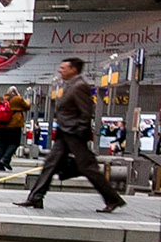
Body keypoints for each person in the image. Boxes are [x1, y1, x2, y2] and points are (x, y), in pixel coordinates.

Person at [19, 57, 126, 212]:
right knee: (50, 164)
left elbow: (86, 112)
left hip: (74, 134)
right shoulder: (71, 85)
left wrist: (79, 132)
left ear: (73, 70)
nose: (60, 70)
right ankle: (35, 197)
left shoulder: (80, 86)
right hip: (65, 134)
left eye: (63, 68)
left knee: (88, 168)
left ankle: (113, 199)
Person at [0, 86, 29, 171]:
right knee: (14, 143)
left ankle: (0, 165)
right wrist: (21, 97)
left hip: (0, 127)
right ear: (16, 92)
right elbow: (27, 107)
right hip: (14, 126)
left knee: (0, 145)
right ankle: (5, 159)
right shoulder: (18, 99)